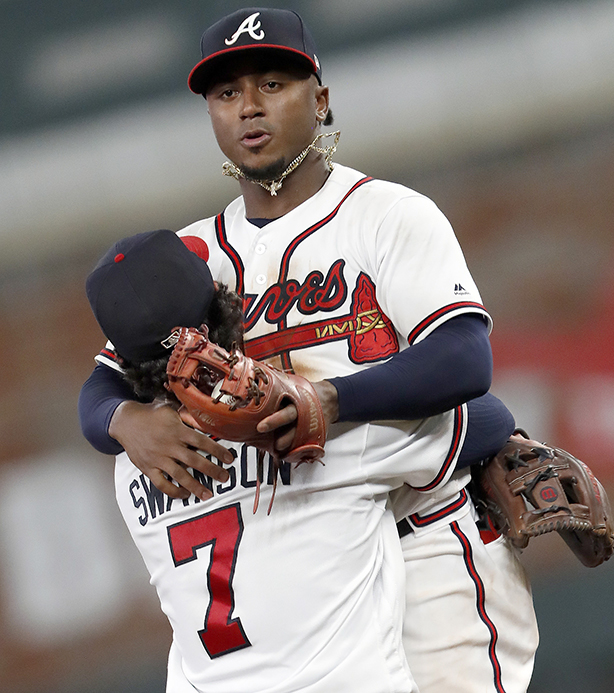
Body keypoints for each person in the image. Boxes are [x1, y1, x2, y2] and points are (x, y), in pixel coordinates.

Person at [79, 8, 538, 692]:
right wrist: (126, 422)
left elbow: (465, 359)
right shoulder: (189, 256)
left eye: (272, 82)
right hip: (299, 549)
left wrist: (331, 398)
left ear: (320, 98)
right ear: (209, 114)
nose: (249, 107)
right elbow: (102, 389)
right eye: (227, 93)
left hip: (426, 540)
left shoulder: (387, 214)